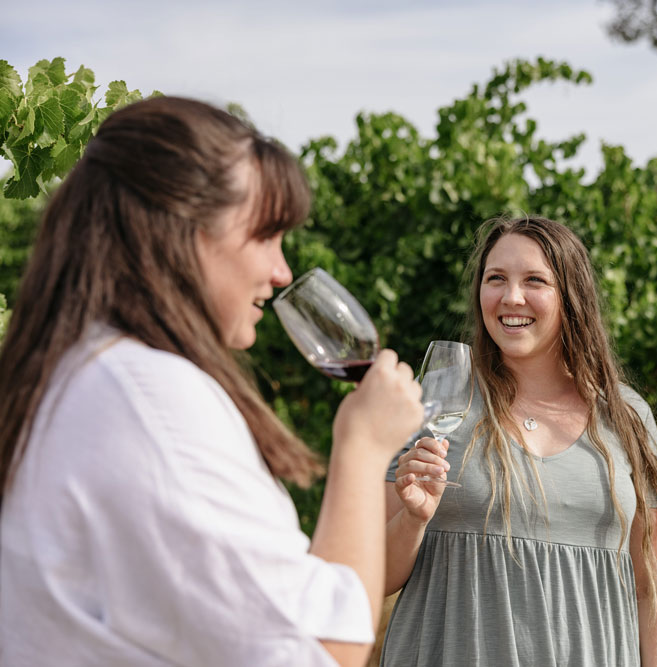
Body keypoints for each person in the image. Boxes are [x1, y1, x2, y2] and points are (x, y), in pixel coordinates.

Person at [0, 96, 425, 667]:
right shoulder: (153, 400)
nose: (282, 272)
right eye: (266, 236)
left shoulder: (70, 375)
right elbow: (318, 653)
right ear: (182, 227)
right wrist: (364, 445)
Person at [378, 215, 657, 666]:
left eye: (534, 281)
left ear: (571, 297)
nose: (511, 297)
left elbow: (654, 584)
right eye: (496, 279)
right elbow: (370, 576)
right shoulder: (431, 402)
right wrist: (413, 519)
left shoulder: (626, 416)